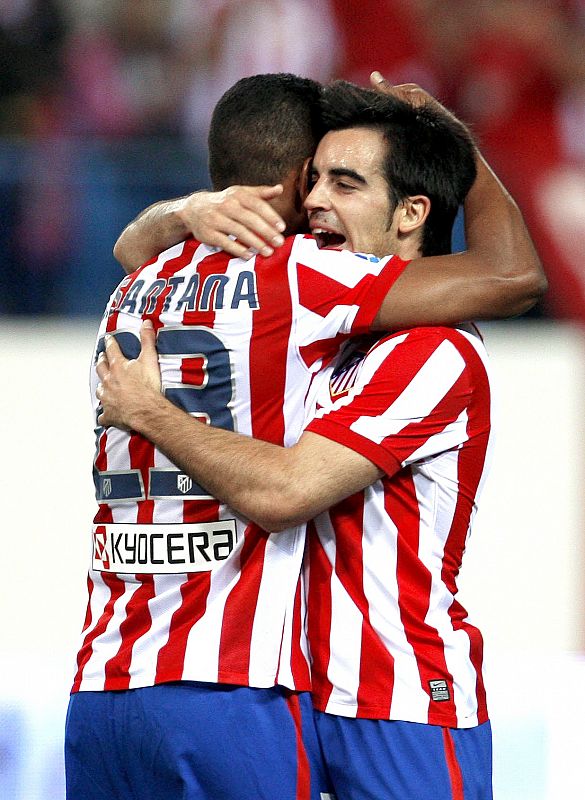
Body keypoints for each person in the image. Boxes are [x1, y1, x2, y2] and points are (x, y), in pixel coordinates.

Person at [67, 74, 543, 800]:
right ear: (287, 181)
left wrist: (154, 410)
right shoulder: (308, 310)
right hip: (285, 689)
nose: (318, 200)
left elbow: (287, 488)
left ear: (411, 212)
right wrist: (190, 210)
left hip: (395, 699)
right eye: (315, 179)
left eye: (345, 184)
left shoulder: (427, 349)